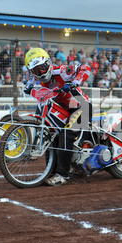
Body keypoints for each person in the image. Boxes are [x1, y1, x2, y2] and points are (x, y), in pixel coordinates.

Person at [23, 48, 91, 186]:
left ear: (48, 63)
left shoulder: (61, 70)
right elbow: (31, 78)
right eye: (36, 70)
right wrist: (29, 86)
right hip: (64, 108)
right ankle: (51, 172)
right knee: (52, 135)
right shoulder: (34, 75)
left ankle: (62, 174)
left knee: (66, 133)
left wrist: (75, 82)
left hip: (81, 106)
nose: (40, 73)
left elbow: (86, 68)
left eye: (42, 68)